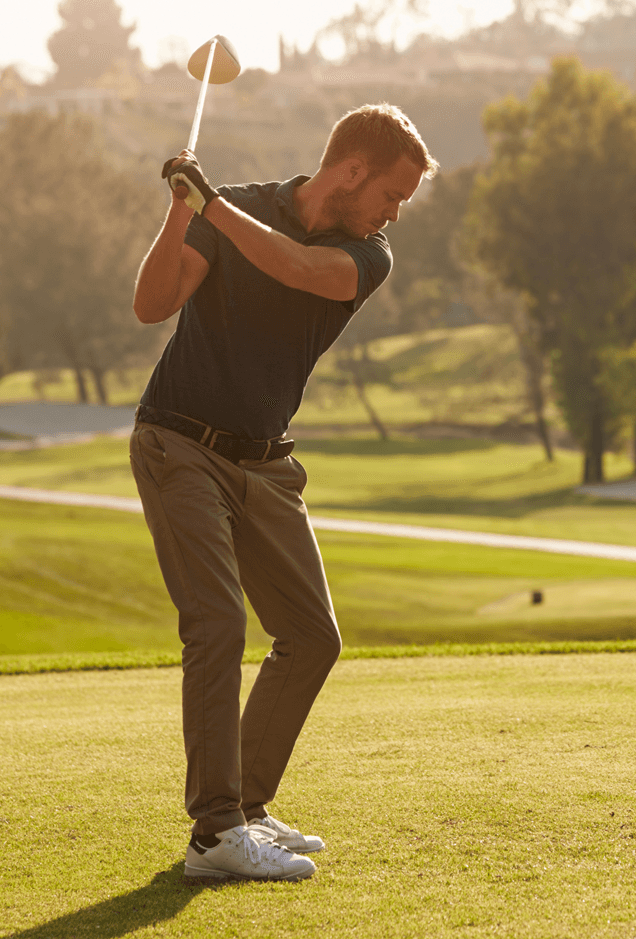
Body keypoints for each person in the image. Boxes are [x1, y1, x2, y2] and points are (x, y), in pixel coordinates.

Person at [130, 104, 436, 881]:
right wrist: (180, 215)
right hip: (179, 444)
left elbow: (298, 270)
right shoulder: (233, 206)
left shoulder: (366, 254)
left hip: (265, 463)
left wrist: (211, 207)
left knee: (312, 634)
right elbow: (152, 304)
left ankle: (249, 808)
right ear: (354, 170)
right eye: (393, 195)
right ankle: (214, 836)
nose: (395, 214)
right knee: (218, 623)